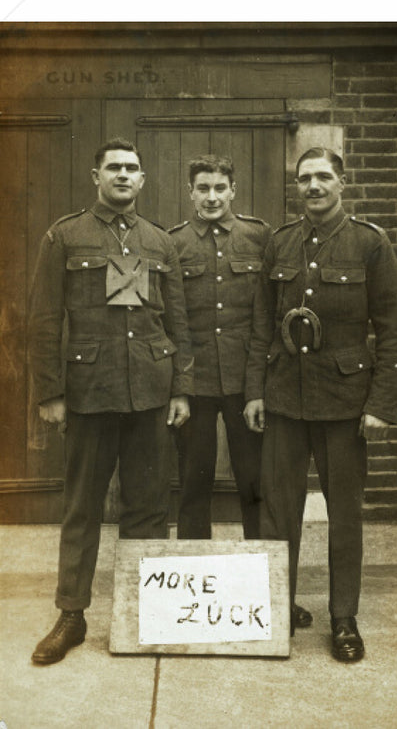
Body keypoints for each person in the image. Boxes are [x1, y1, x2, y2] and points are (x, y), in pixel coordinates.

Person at [28, 138, 193, 664]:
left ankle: (145, 612)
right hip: (89, 394)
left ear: (143, 180)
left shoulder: (159, 242)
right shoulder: (65, 236)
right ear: (96, 175)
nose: (124, 176)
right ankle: (72, 614)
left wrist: (181, 388)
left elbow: (178, 322)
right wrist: (51, 392)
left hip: (148, 392)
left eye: (133, 169)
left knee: (147, 507)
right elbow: (43, 320)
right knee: (81, 507)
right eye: (114, 168)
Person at [244, 147, 397, 658]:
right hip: (283, 401)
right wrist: (255, 390)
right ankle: (277, 611)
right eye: (304, 179)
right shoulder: (280, 243)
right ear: (297, 187)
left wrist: (382, 403)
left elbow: (393, 329)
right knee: (278, 513)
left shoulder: (369, 243)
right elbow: (260, 326)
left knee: (344, 515)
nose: (313, 186)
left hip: (345, 404)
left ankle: (344, 620)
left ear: (342, 183)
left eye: (323, 177)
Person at [169, 154, 313, 632]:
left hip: (246, 388)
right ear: (190, 193)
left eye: (220, 187)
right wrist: (182, 391)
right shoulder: (174, 243)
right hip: (194, 387)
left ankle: (266, 595)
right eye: (203, 188)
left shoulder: (259, 237)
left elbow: (264, 321)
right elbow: (176, 324)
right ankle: (190, 602)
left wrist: (256, 392)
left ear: (234, 191)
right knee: (193, 487)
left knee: (257, 488)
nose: (211, 197)